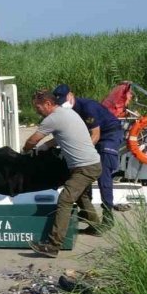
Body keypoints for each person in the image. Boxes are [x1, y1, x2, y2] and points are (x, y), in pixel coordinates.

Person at [22, 90, 103, 258]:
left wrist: (24, 152)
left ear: (48, 104)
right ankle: (96, 227)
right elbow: (62, 136)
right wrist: (48, 146)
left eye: (38, 107)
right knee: (82, 197)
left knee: (65, 200)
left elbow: (33, 140)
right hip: (91, 164)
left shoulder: (52, 118)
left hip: (85, 167)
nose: (37, 110)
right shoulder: (67, 113)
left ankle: (53, 246)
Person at [53, 84, 131, 214]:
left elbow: (96, 134)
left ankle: (107, 214)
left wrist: (83, 152)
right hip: (91, 135)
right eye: (60, 103)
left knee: (103, 172)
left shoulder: (88, 107)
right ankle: (87, 211)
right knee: (82, 170)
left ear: (71, 95)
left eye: (64, 101)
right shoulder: (67, 111)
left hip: (109, 134)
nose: (63, 105)